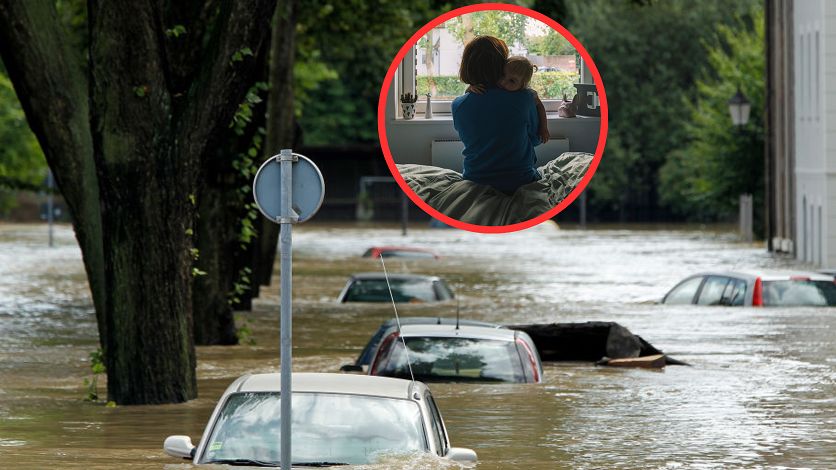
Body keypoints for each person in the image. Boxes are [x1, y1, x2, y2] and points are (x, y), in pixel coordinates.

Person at [452, 36, 542, 195]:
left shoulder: (458, 105)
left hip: (475, 181)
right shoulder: (526, 98)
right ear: (502, 64)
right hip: (521, 181)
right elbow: (536, 139)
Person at [468, 56, 550, 145]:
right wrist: (471, 87)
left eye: (512, 81)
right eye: (502, 75)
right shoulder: (493, 87)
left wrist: (543, 128)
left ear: (522, 85)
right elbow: (468, 95)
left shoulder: (528, 94)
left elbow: (540, 107)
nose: (503, 82)